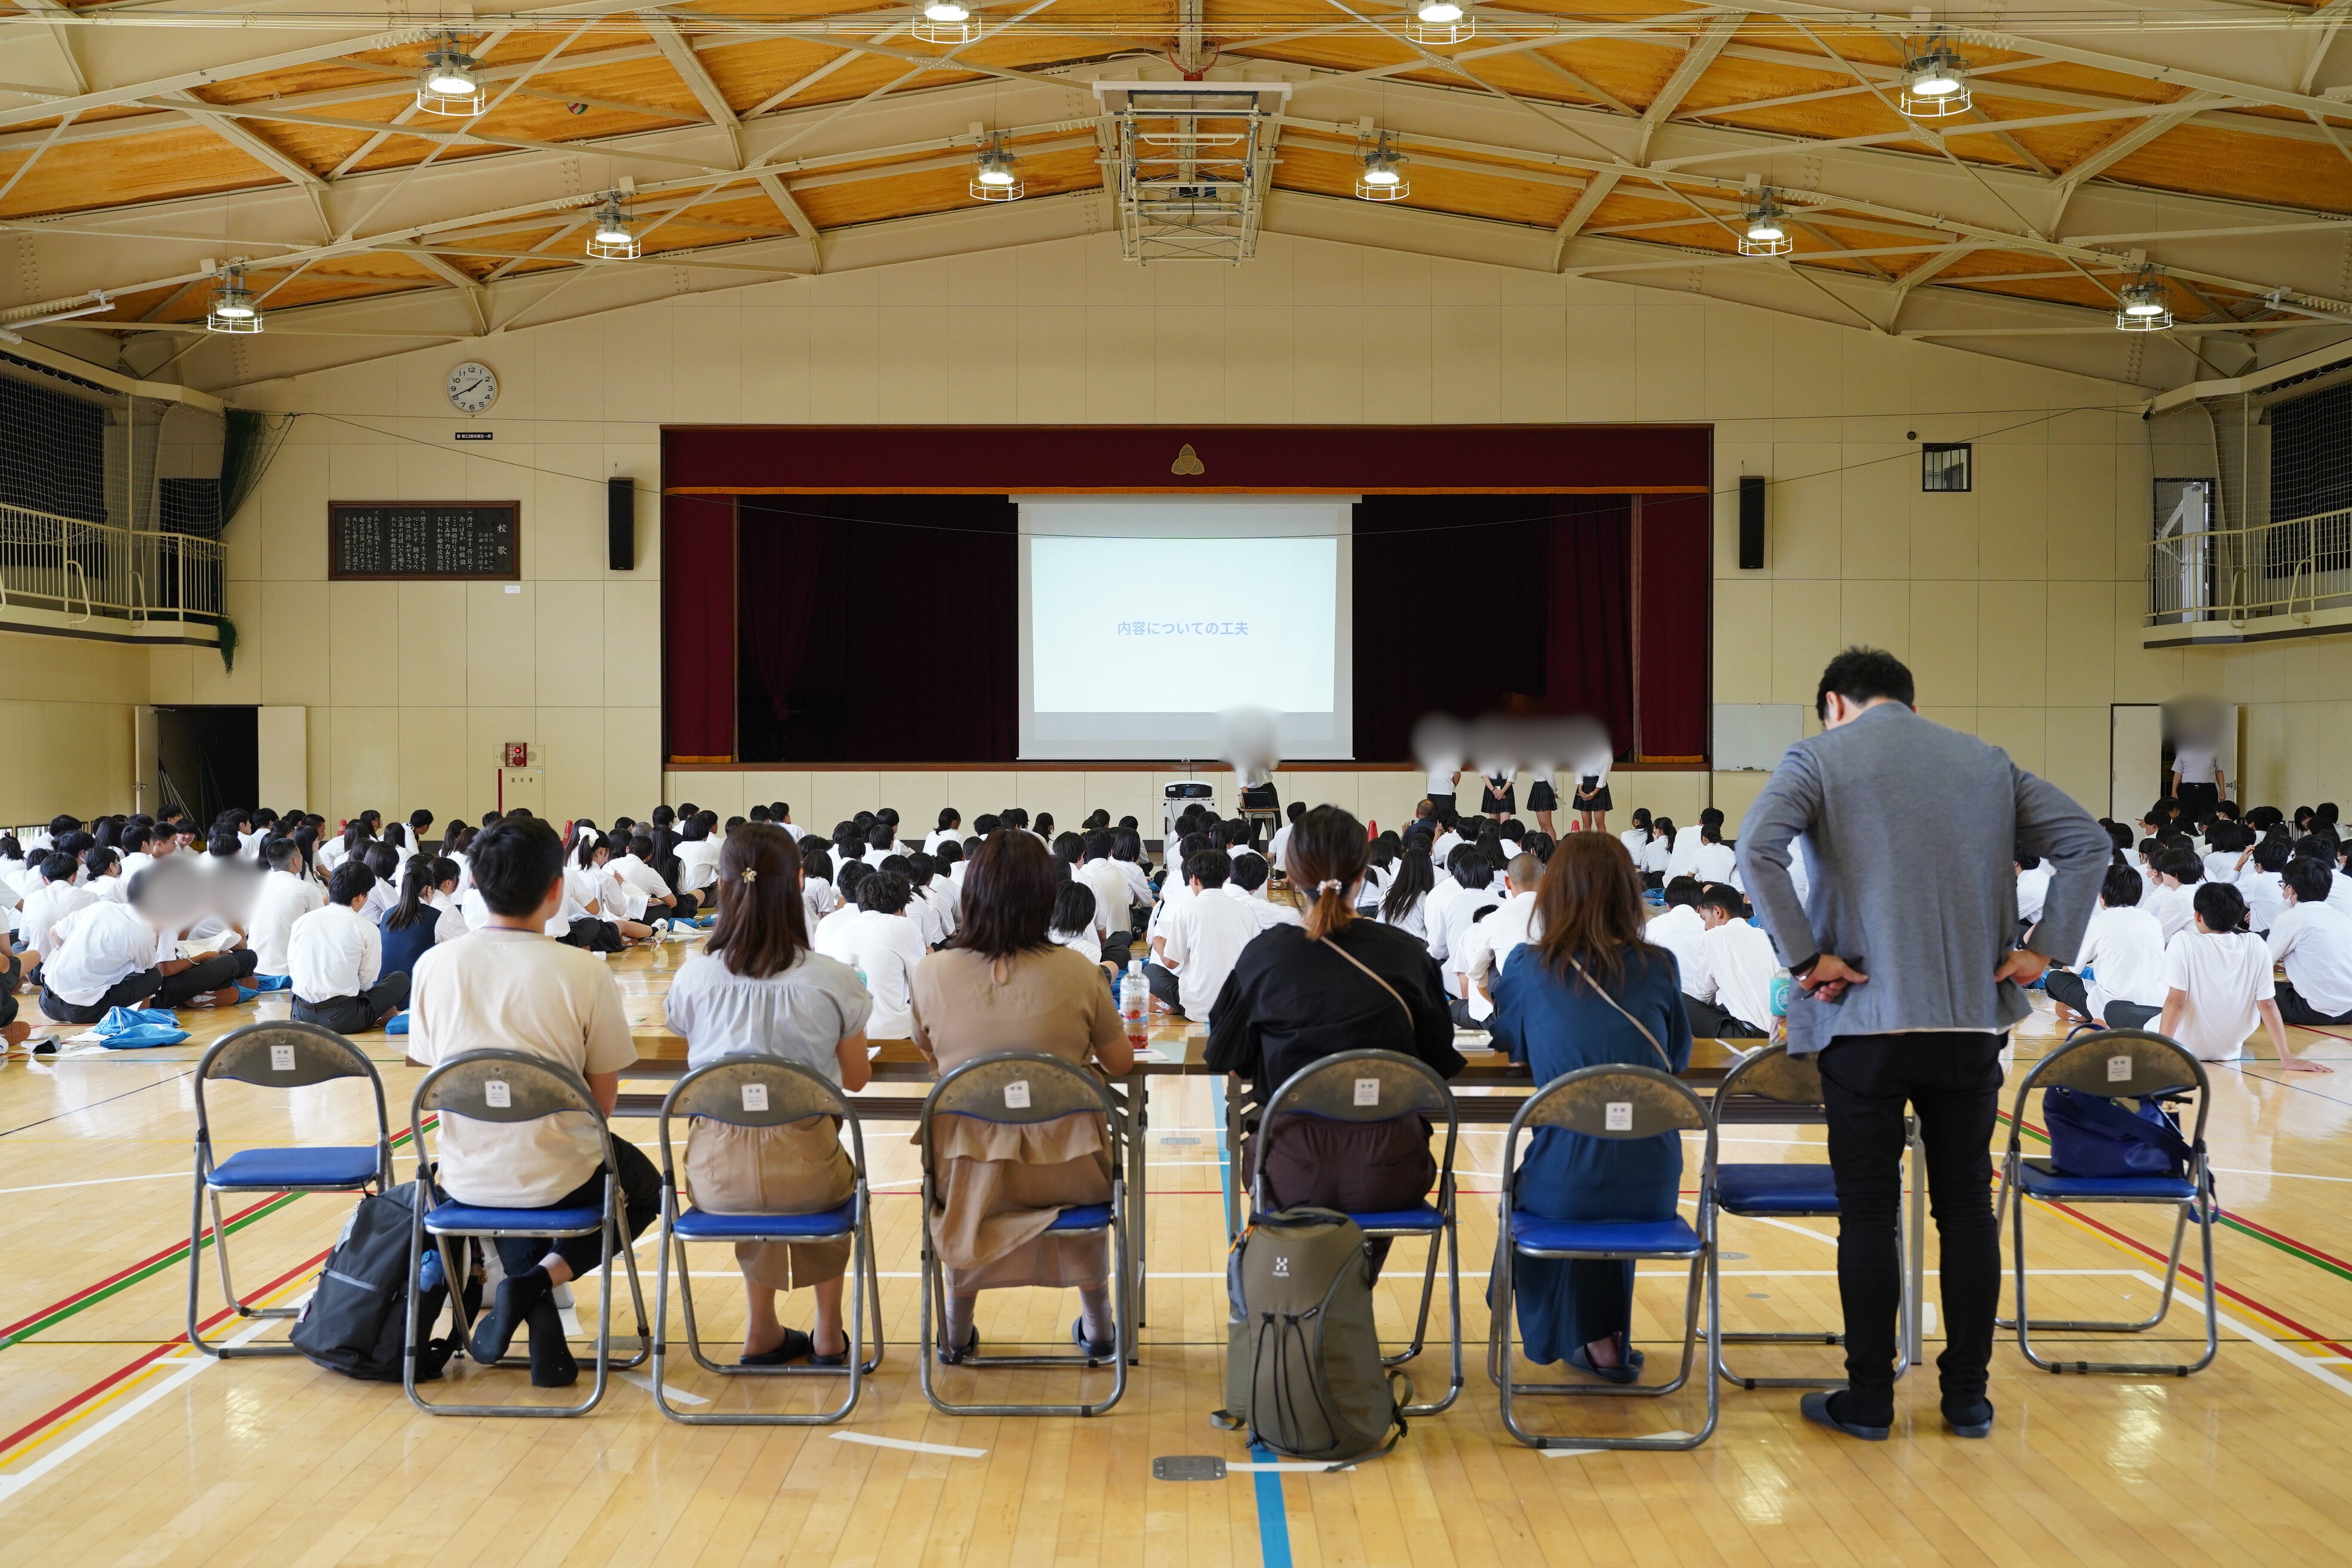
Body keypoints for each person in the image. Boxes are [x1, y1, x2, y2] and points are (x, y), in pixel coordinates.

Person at [1738, 646, 2108, 1444]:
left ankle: (1869, 1400)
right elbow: (2088, 843)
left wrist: (1806, 958)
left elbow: (1756, 850)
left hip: (1863, 1019)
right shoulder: (1985, 762)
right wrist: (2044, 951)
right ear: (1909, 701)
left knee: (1868, 1216)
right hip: (1967, 1020)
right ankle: (1968, 1400)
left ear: (1834, 702)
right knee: (1967, 1211)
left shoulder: (1818, 758)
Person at [408, 816, 659, 1388]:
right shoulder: (582, 971)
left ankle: (537, 1309)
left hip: (463, 1172)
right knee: (643, 1191)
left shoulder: (434, 966)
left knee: (508, 1159)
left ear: (471, 879)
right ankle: (540, 1284)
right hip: (557, 1167)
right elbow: (601, 1105)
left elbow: (429, 1080)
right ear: (556, 889)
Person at [1207, 805, 1462, 1275]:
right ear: (1363, 875)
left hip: (1292, 1169)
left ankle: (1314, 1304)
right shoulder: (1406, 954)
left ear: (1288, 875)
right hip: (1391, 1169)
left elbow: (1225, 1056)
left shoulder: (1265, 956)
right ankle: (1348, 1297)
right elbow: (1437, 1065)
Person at [907, 829, 1132, 1362]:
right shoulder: (1078, 971)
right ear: (1045, 897)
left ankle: (956, 1332)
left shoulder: (931, 971)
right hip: (1070, 1167)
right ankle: (1100, 1328)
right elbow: (1121, 1063)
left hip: (969, 1166)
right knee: (1084, 1155)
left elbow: (932, 1056)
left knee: (967, 1180)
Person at [664, 824, 873, 1365]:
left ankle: (761, 1329)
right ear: (800, 881)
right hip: (809, 1172)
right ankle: (829, 1332)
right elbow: (856, 1080)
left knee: (743, 1153)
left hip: (715, 1179)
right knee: (817, 1169)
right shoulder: (831, 979)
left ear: (724, 886)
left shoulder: (694, 979)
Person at [1489, 832, 1691, 1379]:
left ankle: (1593, 1337)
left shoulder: (1528, 967)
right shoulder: (1660, 966)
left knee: (1564, 1171)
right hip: (1653, 1181)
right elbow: (1677, 1055)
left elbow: (1512, 1041)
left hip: (1565, 1182)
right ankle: (1608, 1335)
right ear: (1630, 893)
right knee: (1613, 1156)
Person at [37, 868, 259, 1024]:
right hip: (84, 1009)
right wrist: (196, 958)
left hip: (47, 1000)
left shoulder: (102, 908)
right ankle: (163, 1003)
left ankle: (191, 996)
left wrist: (76, 961)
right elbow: (159, 972)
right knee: (153, 978)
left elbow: (55, 933)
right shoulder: (145, 931)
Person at [2160, 882, 2322, 1070]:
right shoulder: (2255, 943)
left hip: (2183, 1047)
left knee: (2128, 1013)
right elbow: (2267, 1004)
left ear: (2198, 916)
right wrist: (2288, 1060)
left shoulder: (2183, 941)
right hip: (2229, 1050)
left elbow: (2176, 1003)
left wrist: (2161, 1054)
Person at [287, 862, 410, 1034]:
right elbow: (367, 982)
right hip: (342, 1019)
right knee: (400, 979)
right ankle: (375, 1016)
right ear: (360, 896)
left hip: (300, 1015)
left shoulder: (302, 921)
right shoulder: (366, 928)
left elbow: (294, 969)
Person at [810, 868, 929, 1044]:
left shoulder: (844, 930)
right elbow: (921, 984)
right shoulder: (903, 926)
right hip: (891, 1032)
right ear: (901, 906)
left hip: (842, 1032)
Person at [2044, 864, 2168, 1031]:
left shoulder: (2099, 923)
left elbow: (2072, 969)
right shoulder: (2152, 921)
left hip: (2113, 1007)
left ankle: (2090, 1015)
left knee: (2055, 979)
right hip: (2154, 1006)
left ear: (2102, 895)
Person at [1151, 849, 1262, 1020]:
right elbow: (1255, 960)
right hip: (1238, 1008)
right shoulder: (1245, 911)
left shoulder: (1187, 910)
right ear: (1227, 878)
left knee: (1152, 971)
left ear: (1194, 879)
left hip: (1199, 1010)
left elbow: (1171, 962)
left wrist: (1157, 941)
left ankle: (1169, 1005)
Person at [2267, 858, 2352, 1037]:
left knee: (2253, 988)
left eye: (2283, 885)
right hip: (2349, 1011)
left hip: (2312, 1010)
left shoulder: (2292, 917)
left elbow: (2263, 963)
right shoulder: (2342, 918)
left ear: (2291, 889)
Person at [1685, 884, 1777, 1038]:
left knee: (1680, 1001)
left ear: (1717, 911)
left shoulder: (1713, 937)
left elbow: (1704, 995)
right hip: (1780, 1035)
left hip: (1745, 1035)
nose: (1705, 927)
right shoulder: (1766, 937)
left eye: (1705, 919)